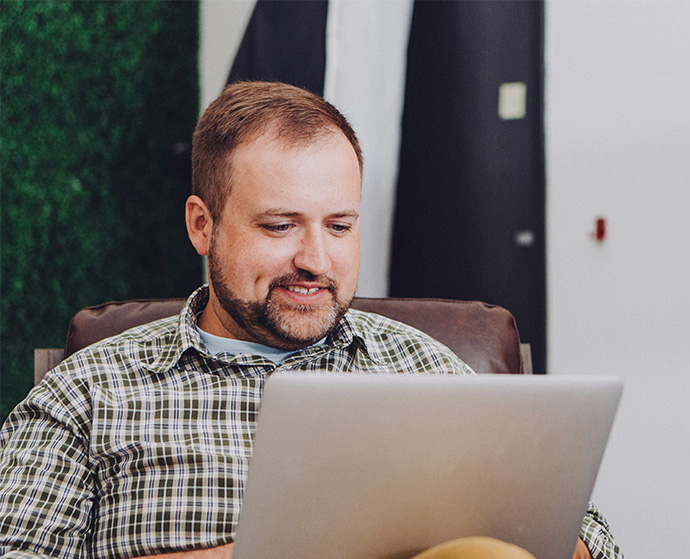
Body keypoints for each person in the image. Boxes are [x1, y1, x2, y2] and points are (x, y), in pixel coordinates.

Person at [0, 82, 622, 559]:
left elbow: (592, 538)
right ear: (202, 225)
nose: (315, 261)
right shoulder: (86, 392)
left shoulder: (425, 367)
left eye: (340, 226)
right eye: (279, 225)